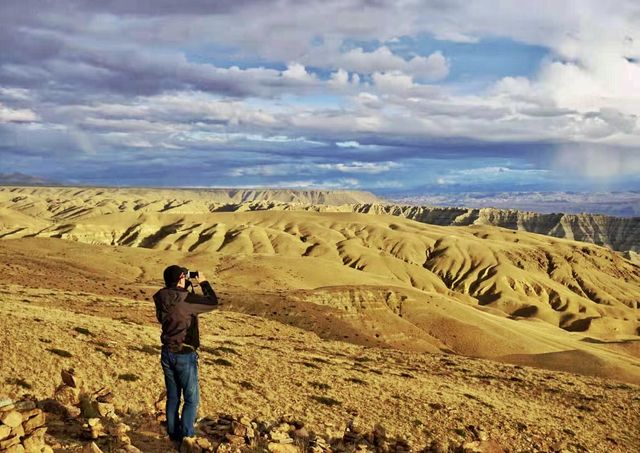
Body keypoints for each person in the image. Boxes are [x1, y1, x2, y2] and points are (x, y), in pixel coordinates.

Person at [153, 265, 219, 445]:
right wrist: (203, 281)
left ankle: (173, 434)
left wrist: (184, 284)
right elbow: (212, 302)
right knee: (191, 398)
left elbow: (175, 299)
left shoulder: (161, 297)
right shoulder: (186, 300)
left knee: (173, 396)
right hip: (184, 354)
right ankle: (187, 437)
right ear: (181, 278)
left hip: (167, 352)